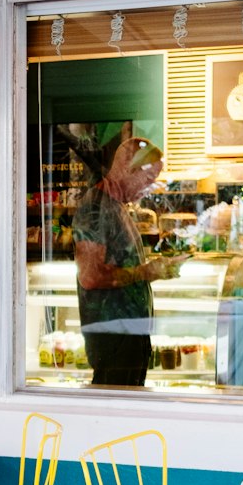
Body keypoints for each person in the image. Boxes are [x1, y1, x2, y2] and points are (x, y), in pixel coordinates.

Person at [72, 131, 185, 387]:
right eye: (147, 179)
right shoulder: (95, 207)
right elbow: (91, 276)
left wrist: (155, 269)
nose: (147, 189)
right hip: (113, 337)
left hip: (128, 334)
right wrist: (145, 272)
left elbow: (123, 266)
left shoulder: (117, 206)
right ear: (125, 167)